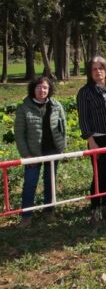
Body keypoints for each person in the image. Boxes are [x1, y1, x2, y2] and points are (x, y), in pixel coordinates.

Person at [15, 77, 67, 227]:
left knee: (50, 182)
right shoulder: (24, 108)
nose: (42, 90)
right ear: (33, 89)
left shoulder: (56, 106)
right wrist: (26, 155)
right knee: (30, 184)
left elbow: (63, 128)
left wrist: (62, 147)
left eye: (45, 88)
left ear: (49, 90)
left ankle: (49, 212)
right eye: (39, 87)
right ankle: (26, 216)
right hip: (33, 153)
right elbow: (19, 134)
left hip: (52, 150)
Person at [77, 56, 106, 223]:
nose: (98, 72)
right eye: (94, 69)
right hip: (97, 139)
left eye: (101, 68)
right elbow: (83, 119)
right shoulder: (85, 92)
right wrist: (91, 141)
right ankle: (95, 209)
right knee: (99, 174)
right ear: (90, 72)